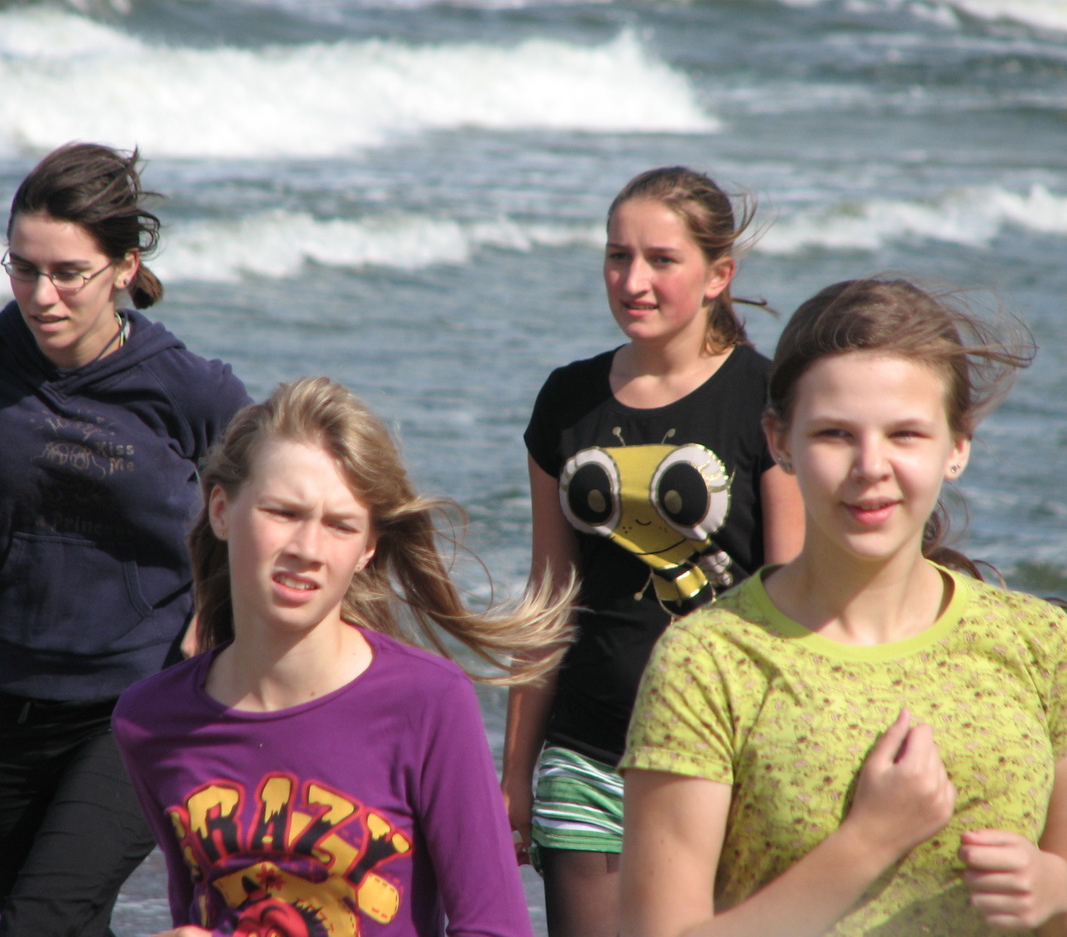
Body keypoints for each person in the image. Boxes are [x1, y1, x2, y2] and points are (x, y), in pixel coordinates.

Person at [0, 142, 252, 937]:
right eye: (24, 268)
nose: (42, 296)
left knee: (38, 923)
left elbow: (263, 515)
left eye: (68, 272)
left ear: (123, 267)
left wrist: (218, 614)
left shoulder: (192, 389)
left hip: (138, 704)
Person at [617, 277, 1066, 937]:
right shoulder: (708, 660)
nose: (870, 465)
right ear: (779, 441)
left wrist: (1058, 891)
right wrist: (868, 843)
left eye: (906, 434)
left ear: (957, 445)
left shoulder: (1044, 645)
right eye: (834, 434)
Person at [112, 376, 575, 937]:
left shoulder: (427, 701)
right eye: (283, 512)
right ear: (221, 510)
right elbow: (198, 909)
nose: (307, 549)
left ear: (367, 548)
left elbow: (496, 927)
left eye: (340, 525)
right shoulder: (150, 720)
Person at [500, 166, 804, 937]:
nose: (632, 280)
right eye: (617, 256)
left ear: (717, 275)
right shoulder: (567, 399)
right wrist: (514, 774)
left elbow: (793, 600)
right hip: (587, 749)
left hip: (726, 756)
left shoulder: (768, 400)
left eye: (661, 259)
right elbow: (548, 597)